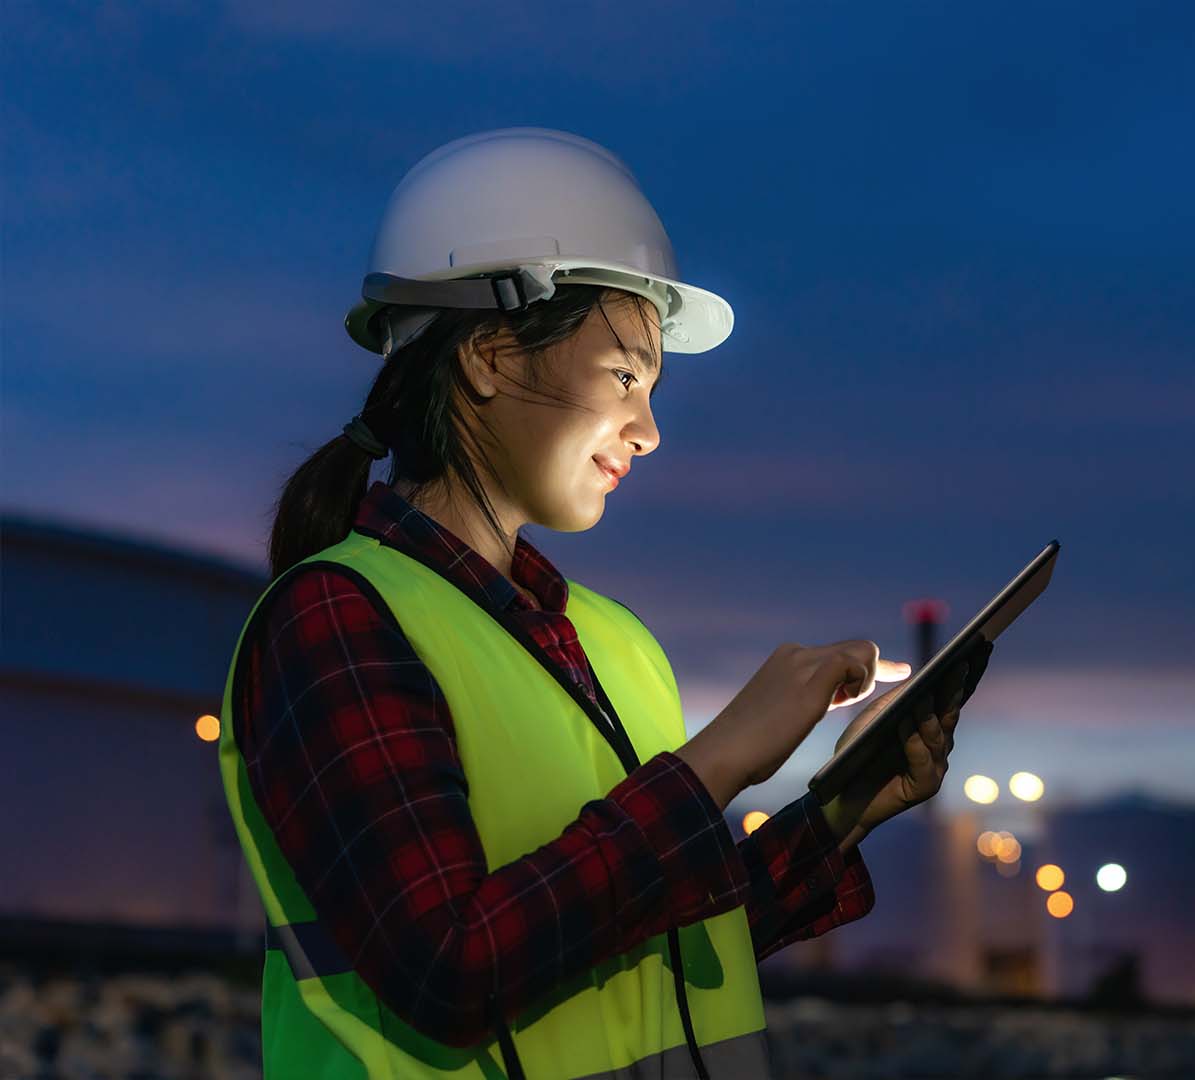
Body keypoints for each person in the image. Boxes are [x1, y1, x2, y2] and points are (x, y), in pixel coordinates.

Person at [216, 128, 992, 1080]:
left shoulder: (614, 643)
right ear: (491, 357)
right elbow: (449, 971)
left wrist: (838, 812)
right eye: (625, 377)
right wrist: (718, 762)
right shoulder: (335, 622)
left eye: (653, 388)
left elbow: (651, 956)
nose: (651, 430)